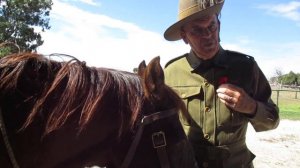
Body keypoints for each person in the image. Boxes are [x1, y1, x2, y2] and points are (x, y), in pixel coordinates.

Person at [163, 0, 280, 168]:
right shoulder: (171, 73)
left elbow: (273, 120)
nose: (208, 36)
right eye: (197, 30)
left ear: (219, 24)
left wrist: (250, 106)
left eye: (212, 26)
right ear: (184, 36)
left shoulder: (245, 67)